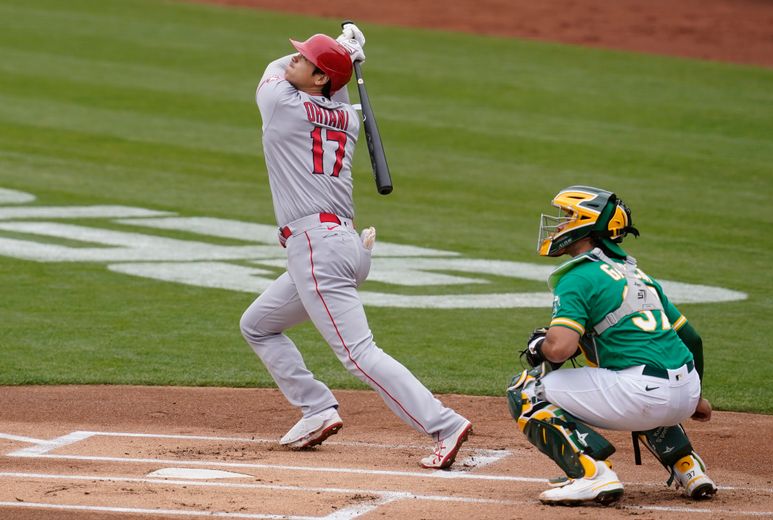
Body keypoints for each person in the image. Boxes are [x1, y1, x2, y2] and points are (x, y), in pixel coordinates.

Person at [240, 24, 472, 469]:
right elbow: (328, 90)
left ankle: (444, 424)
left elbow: (272, 70)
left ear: (321, 78)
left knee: (359, 353)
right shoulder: (348, 118)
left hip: (317, 251)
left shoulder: (281, 105)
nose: (293, 59)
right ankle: (316, 409)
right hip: (345, 246)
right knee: (259, 325)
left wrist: (342, 50)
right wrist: (341, 56)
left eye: (304, 58)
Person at [507, 185, 717, 506]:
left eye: (567, 218)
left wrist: (541, 346)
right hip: (684, 393)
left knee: (526, 390)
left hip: (641, 395)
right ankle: (688, 467)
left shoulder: (579, 277)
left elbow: (561, 349)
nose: (559, 225)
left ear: (585, 225)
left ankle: (592, 474)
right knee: (630, 375)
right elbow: (691, 339)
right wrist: (697, 398)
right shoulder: (639, 275)